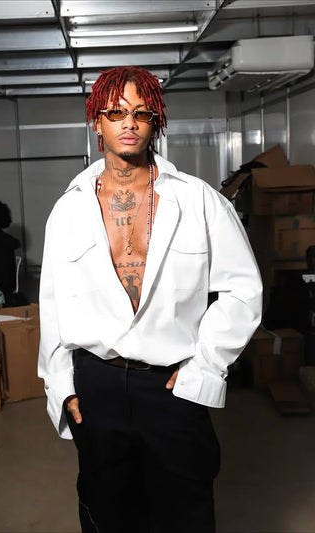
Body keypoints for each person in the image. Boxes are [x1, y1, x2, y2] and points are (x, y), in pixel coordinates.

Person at [38, 66, 262, 533]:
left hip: (171, 386)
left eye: (141, 113)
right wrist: (61, 385)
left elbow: (243, 291)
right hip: (96, 386)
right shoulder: (69, 209)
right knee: (107, 514)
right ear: (96, 122)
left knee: (186, 514)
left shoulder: (199, 200)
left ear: (155, 121)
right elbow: (53, 303)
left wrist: (204, 366)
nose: (129, 123)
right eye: (115, 113)